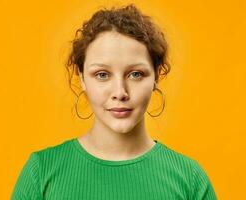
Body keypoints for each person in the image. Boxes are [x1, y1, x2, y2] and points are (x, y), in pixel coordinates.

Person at [11, 3, 217, 200]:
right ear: (82, 78)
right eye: (102, 75)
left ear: (156, 76)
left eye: (136, 74)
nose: (120, 92)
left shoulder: (190, 179)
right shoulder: (41, 172)